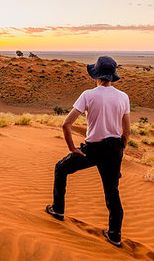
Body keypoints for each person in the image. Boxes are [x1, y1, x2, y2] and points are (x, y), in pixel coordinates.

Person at [46, 56, 131, 247]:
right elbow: (127, 131)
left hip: (93, 148)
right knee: (112, 191)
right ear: (112, 76)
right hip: (115, 148)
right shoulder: (123, 97)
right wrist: (120, 149)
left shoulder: (88, 95)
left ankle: (58, 210)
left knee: (61, 168)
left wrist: (72, 148)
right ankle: (115, 234)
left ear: (97, 75)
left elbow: (66, 124)